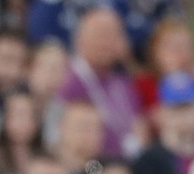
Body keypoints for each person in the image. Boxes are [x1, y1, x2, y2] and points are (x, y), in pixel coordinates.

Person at [59, 9, 144, 158]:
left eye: (113, 36)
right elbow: (60, 142)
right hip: (90, 167)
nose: (106, 43)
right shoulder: (67, 81)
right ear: (80, 39)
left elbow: (138, 124)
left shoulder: (122, 79)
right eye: (100, 35)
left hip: (126, 164)